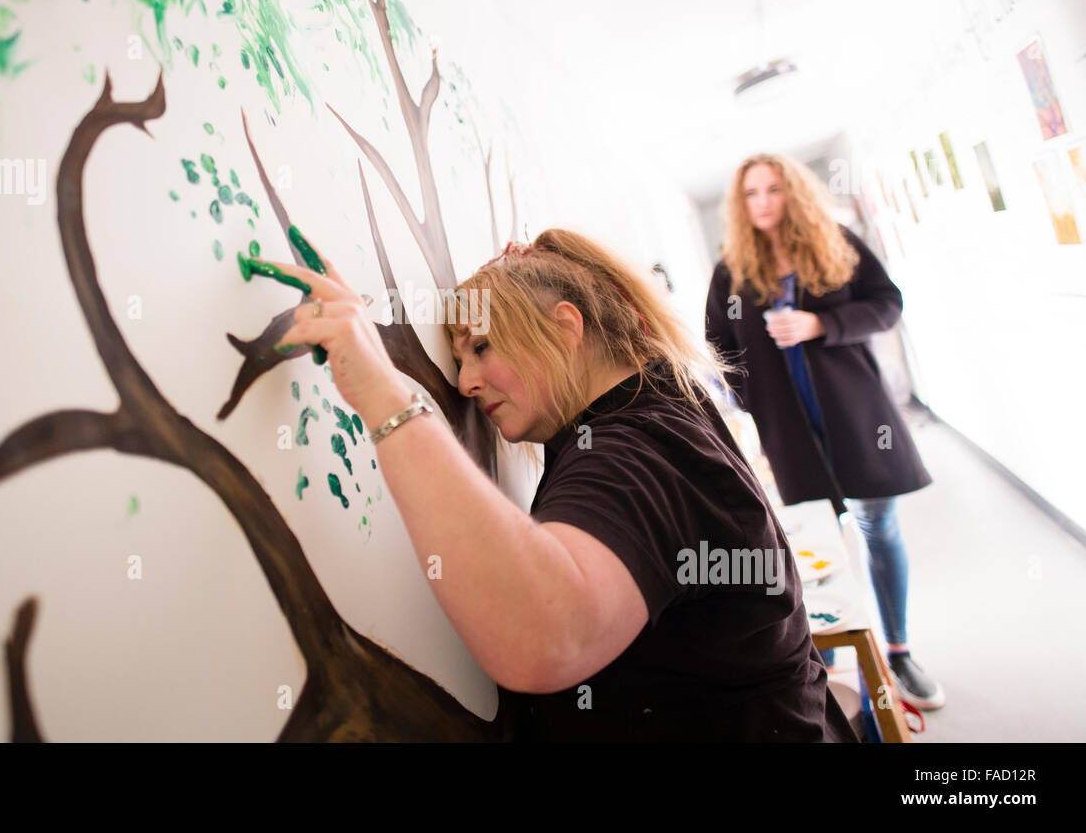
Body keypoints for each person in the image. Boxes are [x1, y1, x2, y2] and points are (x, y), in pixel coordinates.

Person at [256, 227, 858, 741]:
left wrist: (383, 392)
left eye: (482, 347)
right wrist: (542, 270)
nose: (465, 381)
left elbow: (543, 636)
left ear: (567, 326)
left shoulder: (640, 448)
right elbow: (605, 307)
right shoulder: (660, 395)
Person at [703, 152, 944, 711]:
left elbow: (888, 304)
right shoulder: (730, 272)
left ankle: (900, 652)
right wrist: (746, 400)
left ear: (794, 193)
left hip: (857, 415)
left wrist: (822, 324)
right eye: (750, 193)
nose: (762, 202)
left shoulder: (836, 243)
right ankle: (833, 659)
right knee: (819, 544)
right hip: (789, 429)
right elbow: (718, 345)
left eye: (772, 189)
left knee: (879, 524)